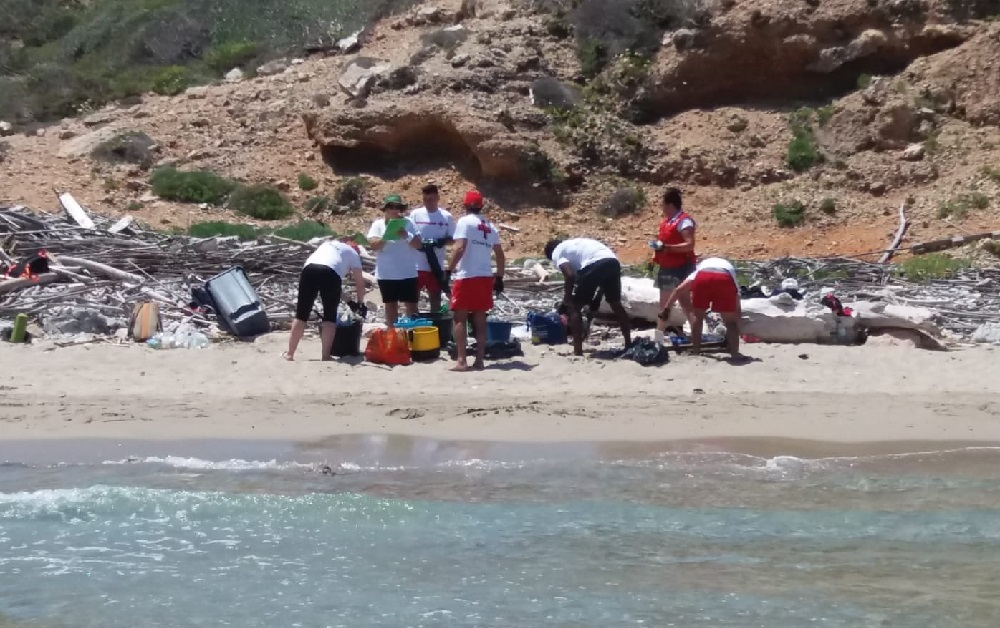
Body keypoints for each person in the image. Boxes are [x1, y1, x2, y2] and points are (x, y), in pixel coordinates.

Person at [445, 190, 505, 372]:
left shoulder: (465, 222)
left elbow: (460, 248)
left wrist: (448, 269)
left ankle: (462, 360)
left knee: (459, 317)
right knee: (480, 317)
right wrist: (499, 276)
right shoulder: (490, 226)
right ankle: (479, 360)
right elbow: (500, 254)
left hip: (467, 275)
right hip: (485, 276)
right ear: (481, 206)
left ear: (465, 205)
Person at [544, 237, 632, 357]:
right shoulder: (575, 245)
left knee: (575, 308)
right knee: (616, 304)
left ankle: (578, 352)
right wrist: (596, 300)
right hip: (613, 262)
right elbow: (601, 276)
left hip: (594, 265)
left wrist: (567, 299)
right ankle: (628, 344)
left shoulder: (557, 252)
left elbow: (570, 275)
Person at [284, 238, 367, 361]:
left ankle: (290, 354)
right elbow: (360, 285)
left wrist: (350, 302)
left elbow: (334, 287)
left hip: (309, 270)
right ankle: (326, 356)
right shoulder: (354, 254)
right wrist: (360, 304)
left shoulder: (328, 245)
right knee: (329, 317)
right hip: (330, 274)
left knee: (301, 314)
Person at [660, 256, 744, 358]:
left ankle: (696, 351)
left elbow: (679, 290)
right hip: (724, 277)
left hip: (703, 277)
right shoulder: (729, 267)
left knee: (698, 317)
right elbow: (737, 297)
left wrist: (667, 309)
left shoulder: (699, 269)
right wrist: (737, 320)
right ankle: (735, 353)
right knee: (730, 321)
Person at [649, 187, 697, 344]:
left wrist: (667, 248)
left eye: (663, 205)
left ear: (670, 205)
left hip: (681, 267)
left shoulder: (684, 222)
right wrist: (654, 257)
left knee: (679, 303)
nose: (662, 208)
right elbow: (662, 242)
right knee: (669, 303)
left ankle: (659, 337)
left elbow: (689, 245)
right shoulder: (666, 222)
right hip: (667, 267)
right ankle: (692, 334)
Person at [367, 194, 423, 326]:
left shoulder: (409, 223)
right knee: (390, 308)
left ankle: (413, 334)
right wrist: (386, 236)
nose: (394, 210)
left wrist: (406, 235)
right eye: (391, 207)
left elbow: (419, 244)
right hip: (387, 274)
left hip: (407, 273)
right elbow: (373, 245)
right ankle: (392, 335)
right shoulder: (378, 224)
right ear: (385, 209)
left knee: (412, 307)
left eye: (397, 207)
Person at [409, 183, 456, 312]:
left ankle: (436, 323)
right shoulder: (415, 214)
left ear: (437, 198)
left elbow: (453, 238)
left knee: (435, 300)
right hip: (416, 265)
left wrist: (440, 241)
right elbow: (408, 236)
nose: (428, 202)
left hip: (435, 265)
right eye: (425, 199)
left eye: (431, 199)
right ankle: (412, 322)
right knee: (412, 301)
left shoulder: (446, 217)